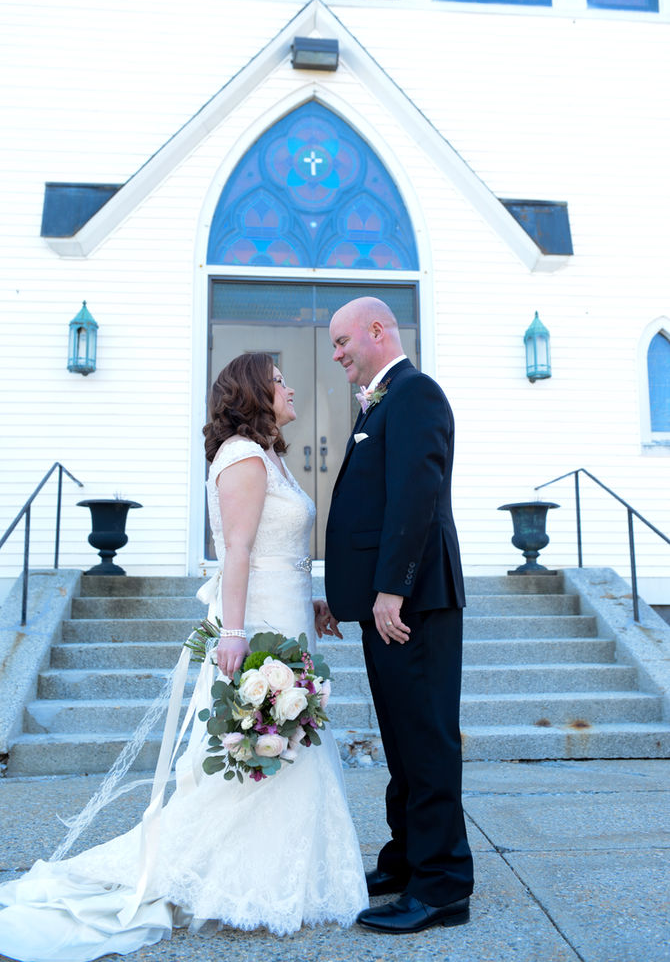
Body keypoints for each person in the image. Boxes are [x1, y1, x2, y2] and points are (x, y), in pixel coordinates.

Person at [0, 352, 367, 962]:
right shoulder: (243, 458)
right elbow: (240, 550)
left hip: (288, 611)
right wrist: (235, 633)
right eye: (280, 381)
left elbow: (279, 549)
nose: (291, 386)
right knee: (257, 749)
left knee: (287, 750)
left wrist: (317, 598)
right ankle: (236, 883)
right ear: (255, 393)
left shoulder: (271, 455)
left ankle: (277, 880)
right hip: (259, 625)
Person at [325, 297, 474, 934]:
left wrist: (391, 589)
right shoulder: (382, 400)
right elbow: (371, 504)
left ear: (378, 330)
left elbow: (417, 493)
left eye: (341, 342)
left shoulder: (416, 393)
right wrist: (349, 593)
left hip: (415, 602)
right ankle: (408, 857)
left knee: (427, 740)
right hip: (387, 604)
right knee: (400, 741)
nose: (337, 355)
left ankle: (442, 886)